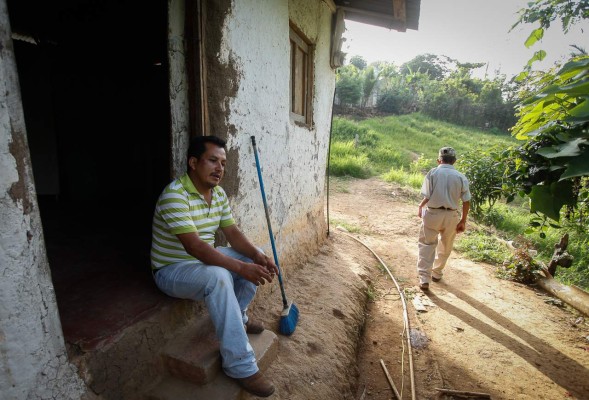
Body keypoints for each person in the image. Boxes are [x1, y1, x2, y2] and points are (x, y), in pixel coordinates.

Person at [150, 135, 279, 397]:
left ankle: (238, 319)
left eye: (223, 162)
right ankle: (240, 365)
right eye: (213, 161)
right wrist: (241, 269)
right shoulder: (175, 195)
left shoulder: (217, 194)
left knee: (252, 256)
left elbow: (232, 233)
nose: (220, 168)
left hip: (201, 263)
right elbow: (195, 247)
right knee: (220, 275)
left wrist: (257, 255)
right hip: (172, 270)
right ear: (193, 163)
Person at [416, 147, 471, 291]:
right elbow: (466, 201)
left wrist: (421, 206)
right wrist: (463, 220)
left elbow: (427, 196)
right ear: (454, 161)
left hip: (433, 213)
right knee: (446, 245)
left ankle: (424, 279)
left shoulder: (433, 173)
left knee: (427, 244)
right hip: (451, 215)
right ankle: (437, 272)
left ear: (438, 160)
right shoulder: (461, 177)